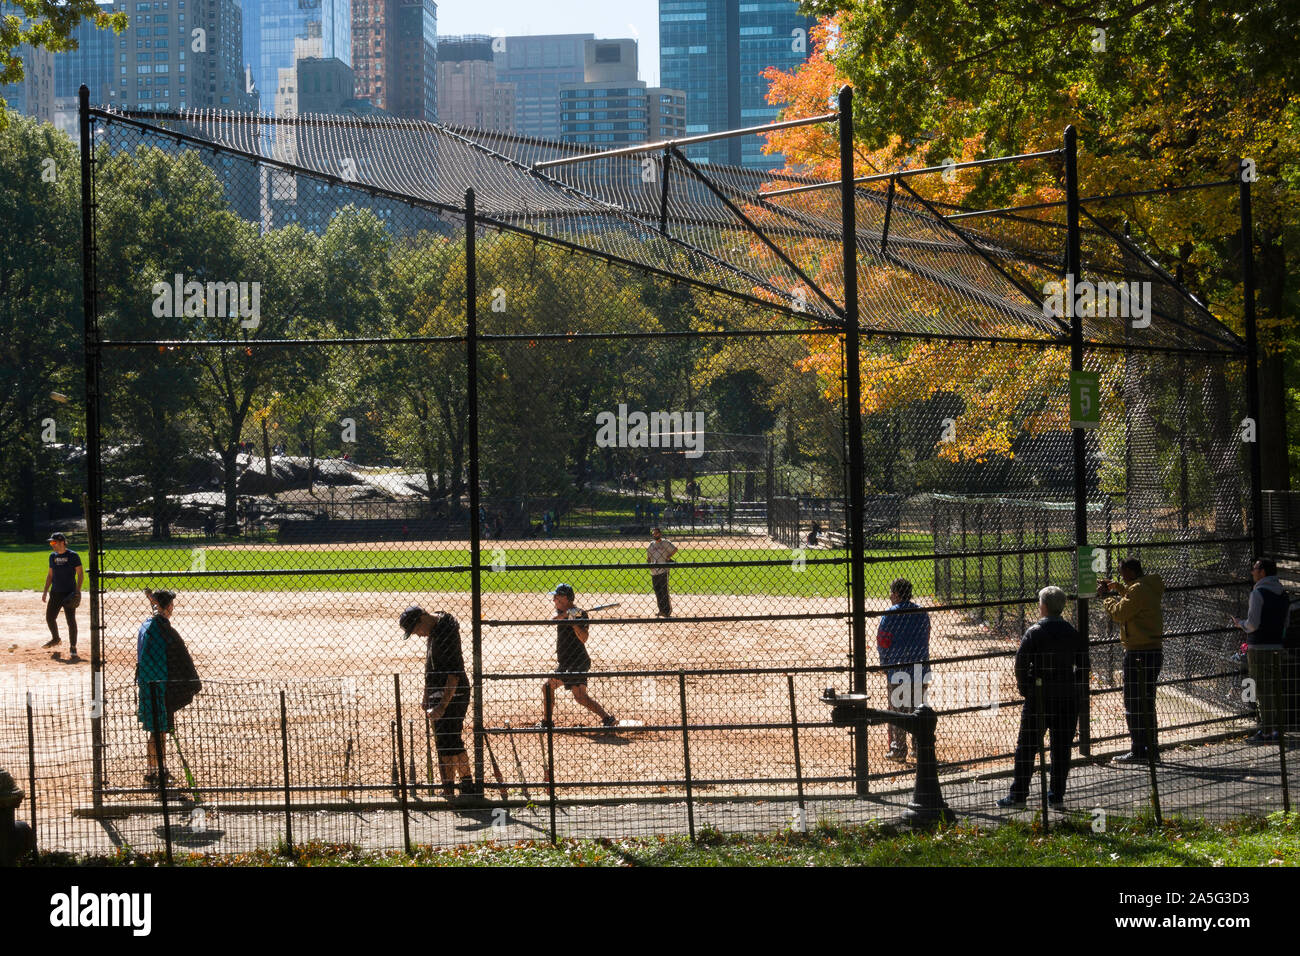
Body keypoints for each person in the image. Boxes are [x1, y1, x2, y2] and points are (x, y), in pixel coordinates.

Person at [997, 586, 1088, 808]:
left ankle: (1019, 794)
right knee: (1062, 747)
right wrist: (1073, 687)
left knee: (1027, 745)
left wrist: (1025, 687)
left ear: (1044, 606)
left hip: (1040, 695)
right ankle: (1056, 796)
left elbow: (1021, 663)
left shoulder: (1035, 632)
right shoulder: (1072, 632)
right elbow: (1083, 667)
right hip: (1066, 696)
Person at [400, 606, 478, 798]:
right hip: (441, 694)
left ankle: (462, 785)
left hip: (453, 694)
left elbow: (453, 674)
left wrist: (442, 705)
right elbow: (430, 666)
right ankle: (455, 786)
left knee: (450, 741)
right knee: (446, 742)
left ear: (423, 619)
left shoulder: (446, 632)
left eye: (416, 630)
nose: (418, 635)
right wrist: (426, 695)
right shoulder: (436, 629)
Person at [1098, 557, 1165, 765]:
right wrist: (1119, 587)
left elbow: (1121, 613)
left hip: (1138, 653)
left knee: (1133, 703)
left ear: (1131, 572)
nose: (1121, 576)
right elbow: (1135, 600)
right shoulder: (1148, 586)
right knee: (1146, 702)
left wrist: (1106, 597)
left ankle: (1139, 750)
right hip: (1152, 651)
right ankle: (1150, 748)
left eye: (1122, 573)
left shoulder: (1138, 590)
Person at [136, 590, 201, 786]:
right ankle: (157, 772)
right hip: (161, 686)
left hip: (149, 683)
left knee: (158, 730)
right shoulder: (162, 630)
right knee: (159, 730)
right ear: (170, 607)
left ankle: (155, 770)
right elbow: (178, 659)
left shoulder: (147, 625)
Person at [1231, 557, 1291, 743]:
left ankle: (1266, 731)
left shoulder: (1258, 593)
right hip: (1276, 646)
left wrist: (1240, 624)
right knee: (1275, 688)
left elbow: (1253, 624)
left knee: (1263, 690)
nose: (1252, 571)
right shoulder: (1283, 594)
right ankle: (1277, 729)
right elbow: (1286, 623)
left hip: (1259, 647)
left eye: (1255, 568)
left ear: (1263, 572)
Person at [541, 584, 617, 728]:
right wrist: (566, 615)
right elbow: (553, 619)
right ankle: (607, 719)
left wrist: (573, 622)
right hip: (568, 662)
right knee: (580, 697)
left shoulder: (581, 615)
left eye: (556, 597)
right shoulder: (565, 611)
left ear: (565, 598)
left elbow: (583, 638)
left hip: (576, 661)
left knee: (549, 687)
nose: (553, 600)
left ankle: (547, 723)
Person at [876, 577, 930, 761]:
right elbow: (926, 638)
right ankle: (919, 747)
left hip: (898, 668)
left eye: (891, 592)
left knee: (897, 710)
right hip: (919, 666)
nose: (890, 596)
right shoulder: (922, 612)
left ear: (897, 594)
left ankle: (898, 749)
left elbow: (883, 641)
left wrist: (885, 664)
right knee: (919, 708)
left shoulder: (890, 614)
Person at [41, 532, 83, 660]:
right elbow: (50, 575)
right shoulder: (52, 556)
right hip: (55, 593)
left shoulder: (73, 556)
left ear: (62, 542)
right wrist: (45, 591)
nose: (52, 545)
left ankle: (73, 647)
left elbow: (80, 574)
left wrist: (77, 591)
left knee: (71, 621)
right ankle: (56, 638)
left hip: (69, 593)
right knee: (50, 617)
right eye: (51, 542)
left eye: (53, 542)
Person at [647, 526, 678, 618]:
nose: (654, 534)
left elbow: (675, 549)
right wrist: (650, 565)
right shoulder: (651, 544)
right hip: (654, 571)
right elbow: (648, 557)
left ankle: (667, 611)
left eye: (656, 533)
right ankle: (661, 610)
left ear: (660, 534)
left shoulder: (665, 542)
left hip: (664, 570)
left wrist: (668, 557)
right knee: (657, 591)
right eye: (653, 533)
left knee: (664, 591)